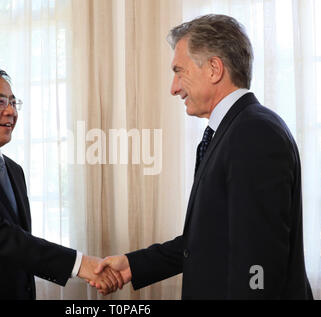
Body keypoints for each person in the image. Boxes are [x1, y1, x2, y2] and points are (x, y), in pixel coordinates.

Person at [93, 14, 313, 299]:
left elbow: (259, 262)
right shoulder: (233, 130)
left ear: (213, 69)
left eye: (179, 71)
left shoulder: (254, 133)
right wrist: (132, 265)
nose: (173, 88)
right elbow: (207, 241)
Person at [0, 65, 123, 299]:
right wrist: (80, 264)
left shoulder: (13, 170)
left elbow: (19, 244)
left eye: (13, 103)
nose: (11, 112)